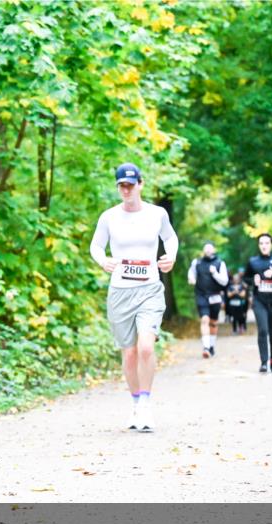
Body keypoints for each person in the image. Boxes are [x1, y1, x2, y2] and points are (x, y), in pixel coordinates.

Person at [90, 162, 178, 432]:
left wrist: (170, 256)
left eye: (130, 184)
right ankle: (136, 404)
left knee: (146, 348)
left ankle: (146, 405)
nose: (126, 190)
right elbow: (95, 245)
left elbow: (170, 238)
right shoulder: (109, 217)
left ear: (140, 184)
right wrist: (103, 259)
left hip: (149, 289)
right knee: (128, 354)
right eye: (121, 186)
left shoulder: (157, 214)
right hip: (120, 292)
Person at [243, 233, 272, 374]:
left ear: (271, 244)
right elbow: (246, 278)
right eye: (261, 243)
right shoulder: (253, 262)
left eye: (266, 243)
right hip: (259, 301)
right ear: (258, 245)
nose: (264, 246)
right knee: (263, 330)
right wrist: (253, 281)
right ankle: (264, 362)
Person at [187, 242, 229, 358]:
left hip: (215, 296)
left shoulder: (220, 263)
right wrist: (191, 278)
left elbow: (225, 281)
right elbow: (191, 273)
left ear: (214, 250)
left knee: (213, 322)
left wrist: (215, 273)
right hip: (201, 295)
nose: (208, 250)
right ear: (203, 250)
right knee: (205, 320)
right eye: (206, 249)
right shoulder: (197, 262)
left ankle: (211, 346)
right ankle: (205, 347)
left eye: (210, 248)